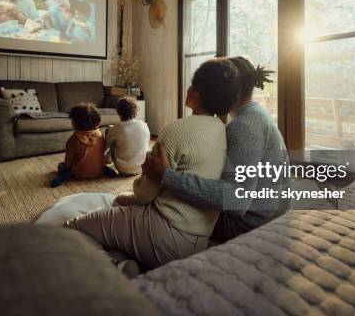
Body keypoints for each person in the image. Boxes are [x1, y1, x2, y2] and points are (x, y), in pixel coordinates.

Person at [65, 59, 241, 269]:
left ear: (196, 93)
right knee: (114, 225)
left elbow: (144, 194)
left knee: (72, 229)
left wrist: (130, 196)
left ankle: (114, 267)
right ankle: (127, 264)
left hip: (165, 233)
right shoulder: (224, 131)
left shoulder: (175, 130)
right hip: (200, 238)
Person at [142, 56, 289, 243]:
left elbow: (237, 200)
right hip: (267, 215)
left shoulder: (244, 126)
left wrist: (168, 176)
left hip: (249, 225)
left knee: (162, 205)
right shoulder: (253, 113)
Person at [51, 103, 105, 187]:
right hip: (99, 171)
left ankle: (62, 178)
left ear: (75, 123)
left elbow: (68, 162)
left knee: (62, 166)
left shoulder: (74, 139)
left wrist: (66, 167)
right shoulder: (99, 134)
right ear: (97, 122)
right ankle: (103, 169)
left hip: (80, 174)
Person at [105, 97, 150, 176]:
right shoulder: (144, 125)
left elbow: (104, 148)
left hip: (124, 169)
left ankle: (109, 159)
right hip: (143, 167)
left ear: (119, 112)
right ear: (135, 111)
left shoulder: (117, 127)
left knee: (110, 130)